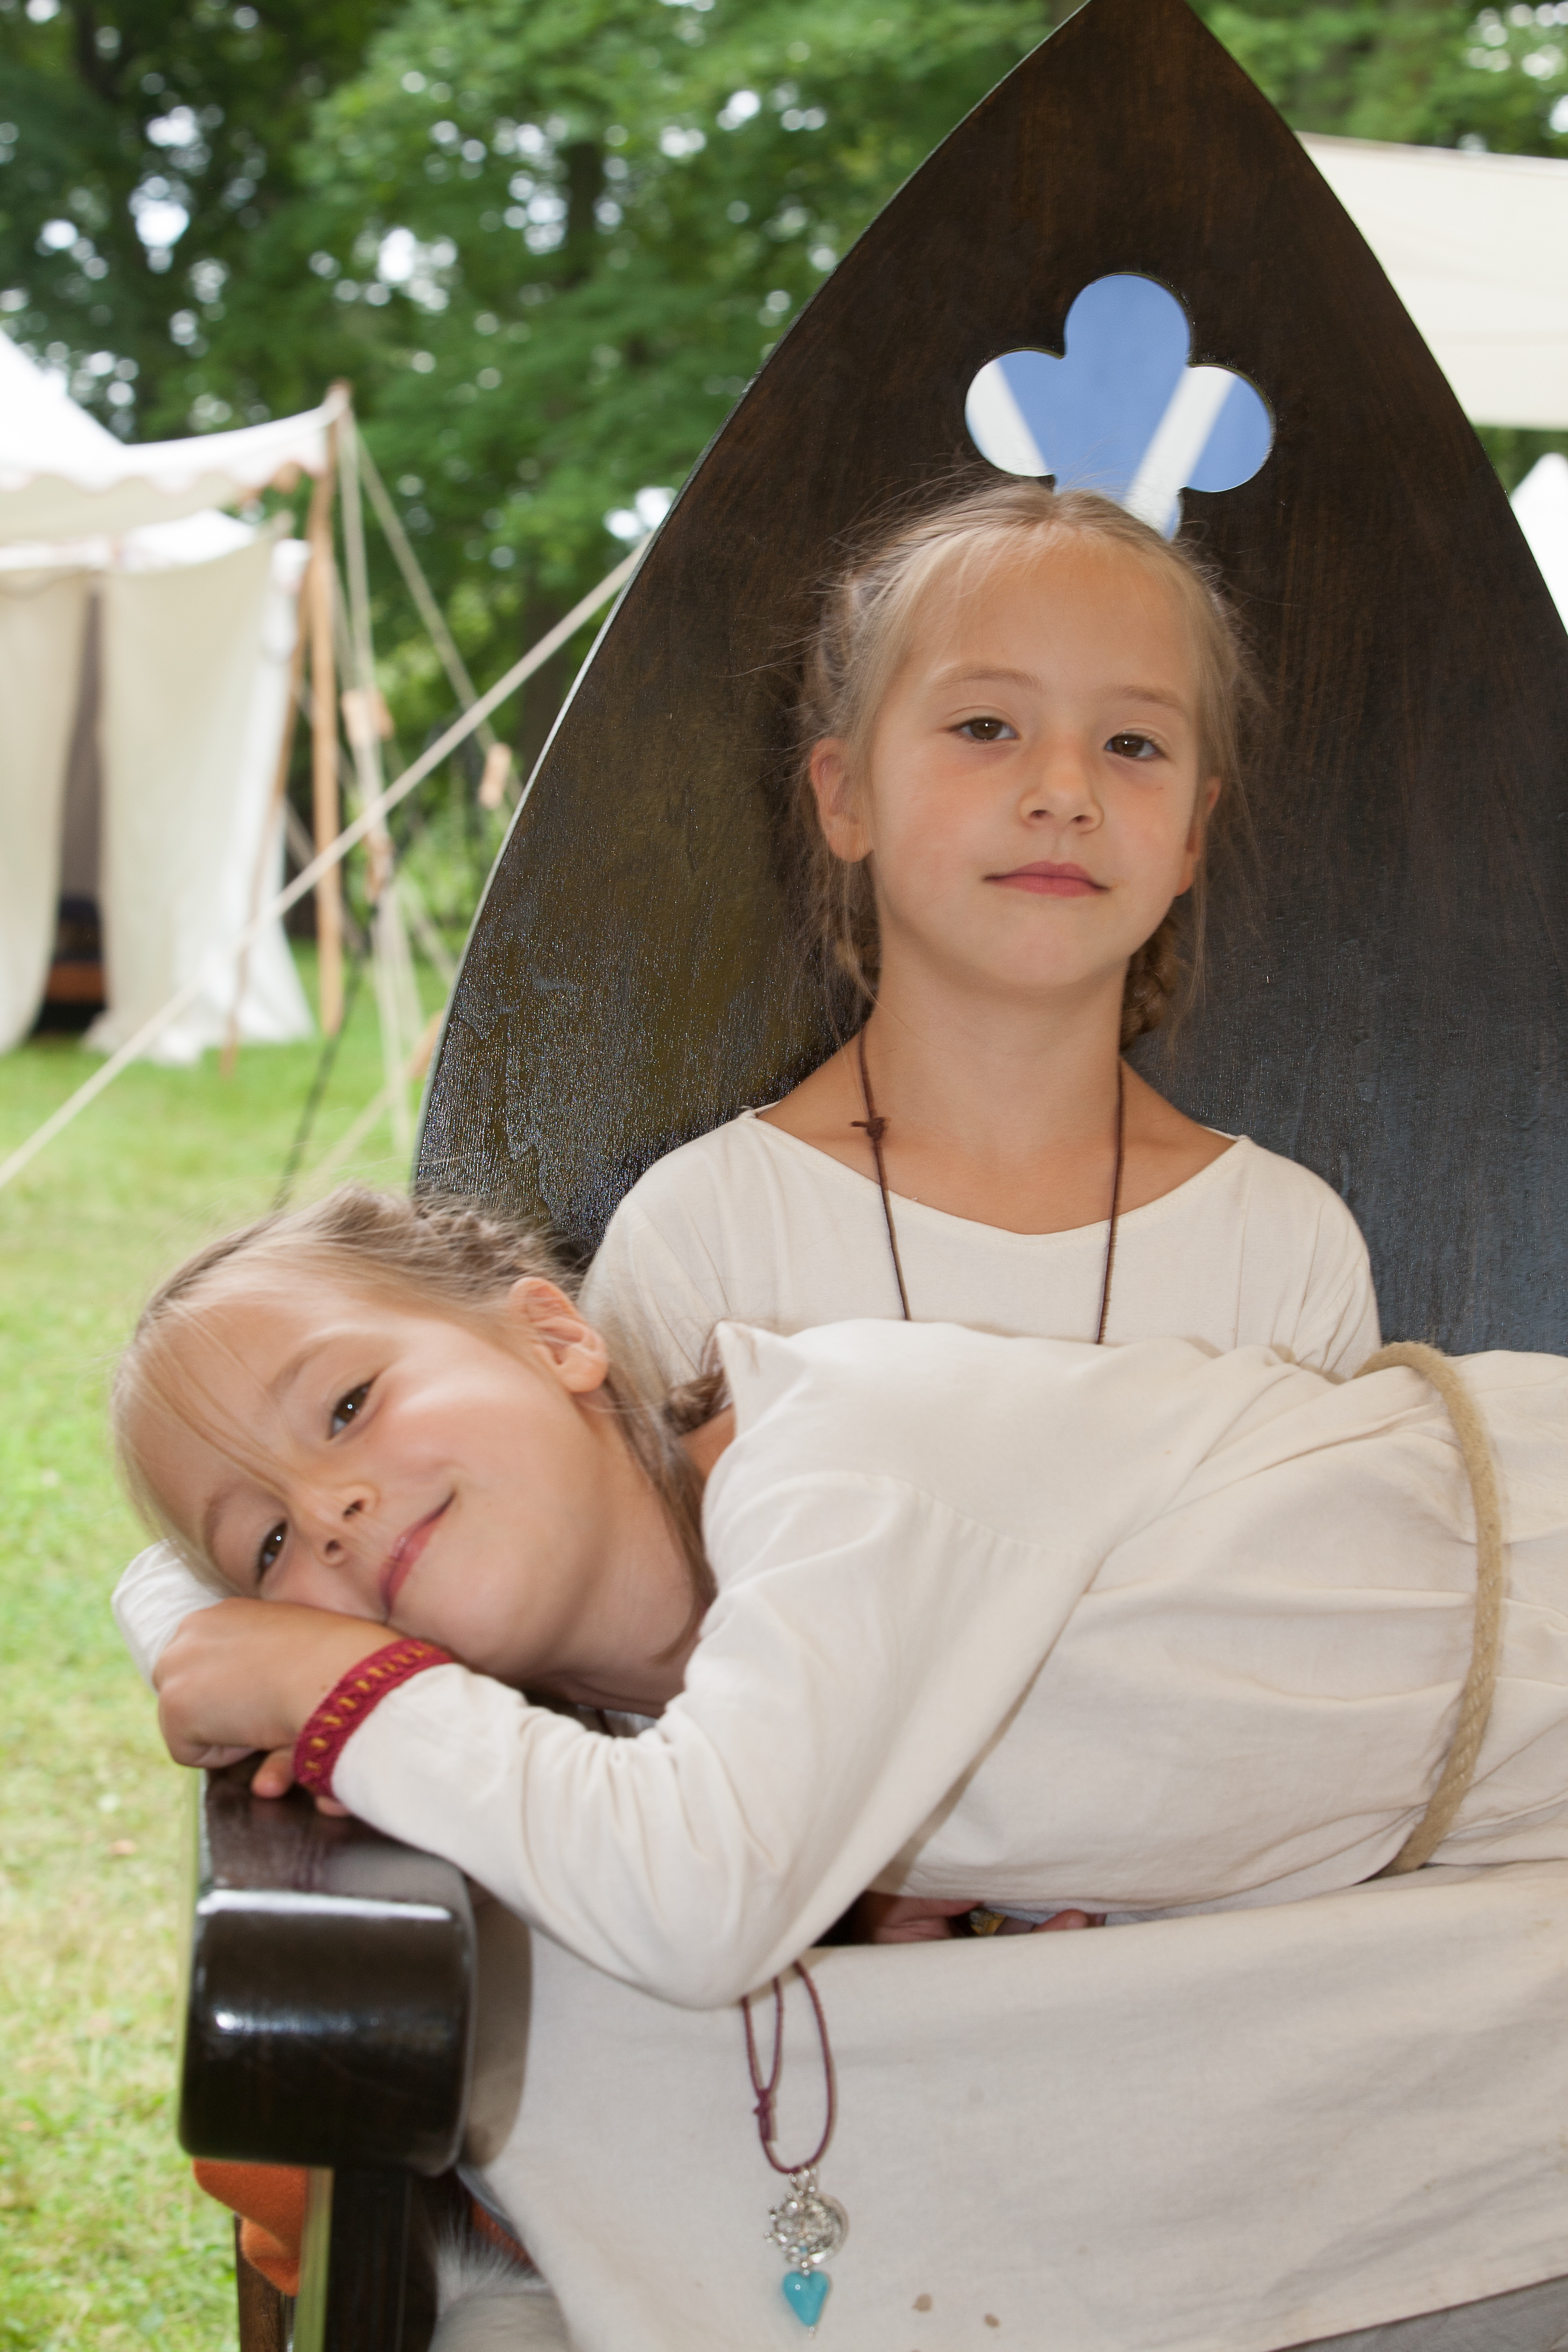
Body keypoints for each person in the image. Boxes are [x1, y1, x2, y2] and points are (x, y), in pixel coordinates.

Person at [112, 477, 1381, 1684]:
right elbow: (574, 1598)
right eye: (985, 727)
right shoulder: (707, 1232)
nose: (1063, 791)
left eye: (1133, 742)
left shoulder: (1285, 1246)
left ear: (1192, 833)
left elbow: (1346, 1629)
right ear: (845, 794)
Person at [120, 1186, 1568, 2017]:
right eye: (268, 1544)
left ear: (553, 1336)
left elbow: (697, 1905)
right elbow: (156, 1588)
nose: (332, 1508)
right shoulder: (685, 1730)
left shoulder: (836, 1458)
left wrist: (336, 1692)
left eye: (349, 1404)